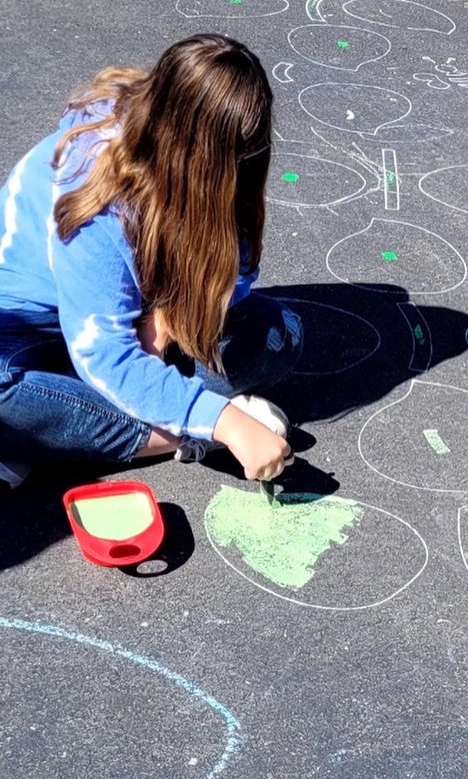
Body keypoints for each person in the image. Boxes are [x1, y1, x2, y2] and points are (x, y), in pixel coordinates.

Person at [0, 33, 302, 489]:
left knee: (278, 336)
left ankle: (65, 424)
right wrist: (224, 423)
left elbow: (236, 272)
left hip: (120, 325)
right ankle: (173, 433)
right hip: (24, 329)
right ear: (192, 162)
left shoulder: (206, 163)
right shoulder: (95, 193)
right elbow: (105, 353)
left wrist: (164, 318)